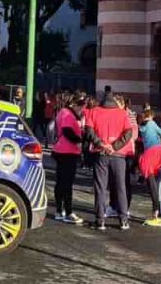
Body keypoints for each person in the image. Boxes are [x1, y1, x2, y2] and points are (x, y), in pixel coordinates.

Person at [84, 91, 133, 231]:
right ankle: (123, 220)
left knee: (100, 187)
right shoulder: (122, 113)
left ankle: (100, 220)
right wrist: (115, 146)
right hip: (118, 155)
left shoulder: (94, 111)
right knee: (120, 187)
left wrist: (101, 144)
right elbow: (128, 133)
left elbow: (89, 131)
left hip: (101, 154)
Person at [52, 96, 85, 224]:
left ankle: (59, 210)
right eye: (81, 106)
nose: (81, 110)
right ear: (74, 105)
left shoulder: (62, 112)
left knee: (60, 182)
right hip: (68, 152)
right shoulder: (67, 114)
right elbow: (67, 131)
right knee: (67, 184)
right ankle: (68, 212)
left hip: (61, 151)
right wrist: (79, 139)